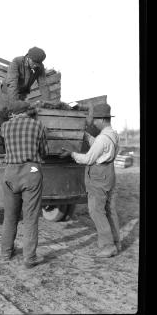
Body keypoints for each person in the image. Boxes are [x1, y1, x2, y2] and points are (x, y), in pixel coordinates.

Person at [61, 103, 121, 258]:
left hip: (98, 175)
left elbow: (88, 158)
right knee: (109, 209)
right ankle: (116, 242)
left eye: (95, 120)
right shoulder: (113, 134)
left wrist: (72, 154)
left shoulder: (102, 139)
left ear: (102, 119)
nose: (93, 122)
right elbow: (102, 148)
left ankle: (108, 246)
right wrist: (88, 137)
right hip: (109, 173)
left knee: (96, 211)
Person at [0, 102, 48, 268]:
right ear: (28, 112)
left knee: (10, 217)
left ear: (13, 113)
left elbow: (7, 148)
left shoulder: (5, 127)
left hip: (10, 173)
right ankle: (29, 258)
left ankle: (5, 254)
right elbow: (44, 151)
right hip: (31, 172)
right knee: (31, 217)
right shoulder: (38, 125)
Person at [0, 47, 51, 113]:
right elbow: (12, 83)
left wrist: (48, 104)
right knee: (5, 114)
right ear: (28, 57)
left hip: (22, 93)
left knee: (21, 115)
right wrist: (14, 104)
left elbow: (44, 85)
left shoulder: (40, 67)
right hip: (7, 91)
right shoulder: (17, 61)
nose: (35, 66)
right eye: (33, 63)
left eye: (37, 64)